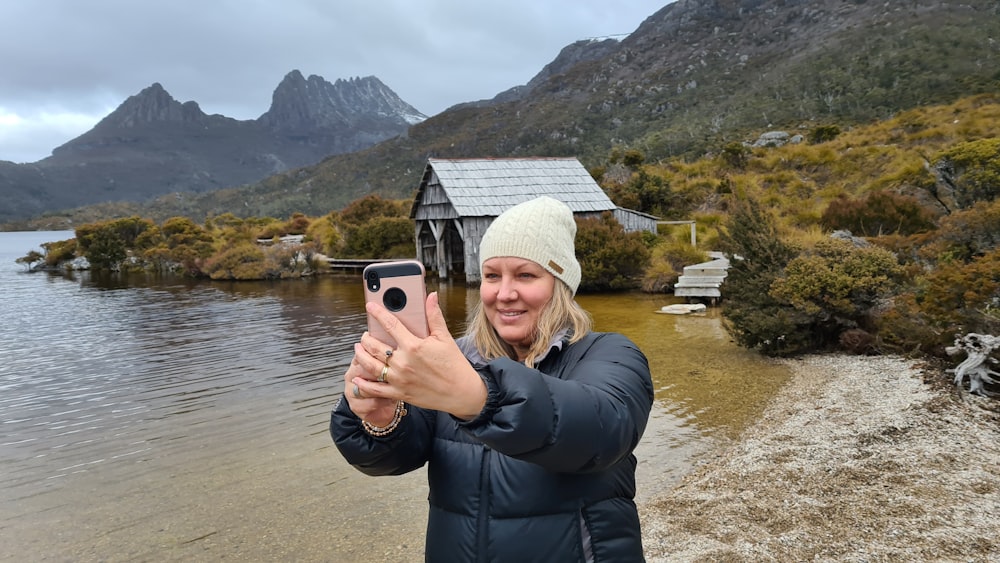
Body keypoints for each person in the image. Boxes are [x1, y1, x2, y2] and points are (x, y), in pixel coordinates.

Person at [330, 196, 654, 562]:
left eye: (526, 275)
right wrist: (380, 420)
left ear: (561, 283)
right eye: (492, 276)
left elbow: (603, 430)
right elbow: (392, 460)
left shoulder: (609, 353)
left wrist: (479, 397)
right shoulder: (452, 360)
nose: (504, 294)